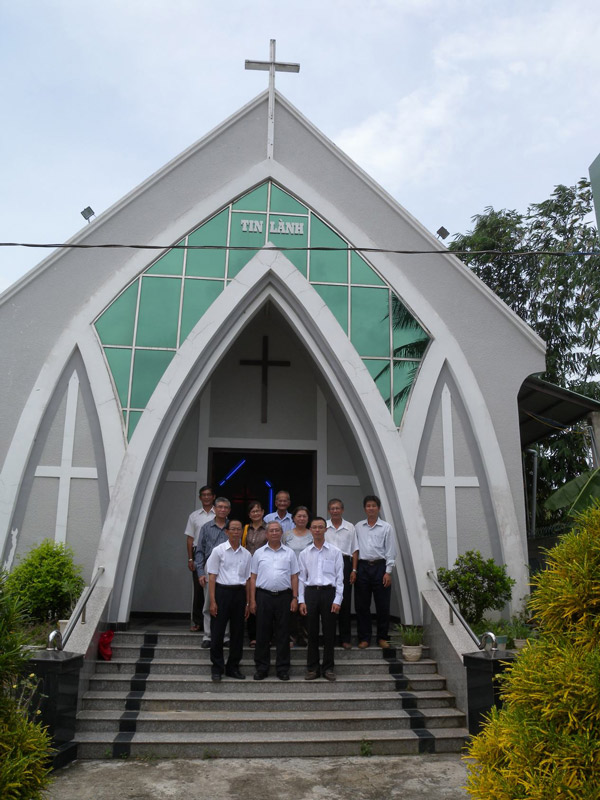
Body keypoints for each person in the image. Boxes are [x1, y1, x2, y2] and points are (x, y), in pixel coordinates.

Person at [249, 520, 299, 680]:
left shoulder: (289, 553)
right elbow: (253, 577)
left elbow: (294, 576)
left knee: (283, 633)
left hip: (284, 597)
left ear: (282, 533)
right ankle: (262, 668)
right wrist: (252, 600)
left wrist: (295, 597)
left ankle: (282, 668)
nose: (275, 533)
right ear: (266, 533)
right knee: (262, 633)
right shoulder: (259, 553)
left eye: (278, 530)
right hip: (263, 596)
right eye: (272, 530)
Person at [298, 517, 344, 682]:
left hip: (329, 593)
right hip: (311, 593)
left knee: (329, 632)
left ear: (326, 530)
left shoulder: (335, 552)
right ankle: (312, 668)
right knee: (311, 632)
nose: (317, 530)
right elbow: (302, 578)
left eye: (320, 527)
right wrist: (301, 600)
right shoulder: (304, 553)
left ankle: (328, 668)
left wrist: (338, 600)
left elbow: (340, 578)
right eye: (314, 527)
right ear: (310, 530)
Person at [206, 518, 252, 682]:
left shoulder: (246, 554)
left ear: (242, 532)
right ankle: (217, 667)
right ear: (226, 532)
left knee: (238, 633)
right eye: (232, 529)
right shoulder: (218, 551)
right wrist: (212, 601)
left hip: (239, 594)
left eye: (239, 529)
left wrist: (247, 602)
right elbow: (212, 577)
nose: (236, 532)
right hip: (222, 592)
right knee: (217, 632)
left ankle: (233, 667)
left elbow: (247, 580)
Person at [354, 495, 397, 649]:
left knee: (383, 605)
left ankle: (382, 637)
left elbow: (391, 550)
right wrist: (354, 569)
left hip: (380, 567)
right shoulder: (358, 526)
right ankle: (364, 638)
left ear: (378, 508)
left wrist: (388, 571)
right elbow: (355, 549)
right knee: (362, 605)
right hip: (363, 567)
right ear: (365, 508)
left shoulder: (386, 527)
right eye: (368, 506)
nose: (371, 508)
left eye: (374, 506)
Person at [195, 497, 230, 648]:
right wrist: (200, 572)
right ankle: (208, 636)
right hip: (210, 568)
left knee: (226, 604)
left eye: (225, 507)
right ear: (214, 509)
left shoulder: (233, 527)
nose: (222, 510)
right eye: (220, 507)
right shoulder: (206, 527)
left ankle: (226, 637)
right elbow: (199, 551)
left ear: (229, 510)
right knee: (209, 603)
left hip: (228, 568)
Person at [325, 498, 358, 649]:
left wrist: (354, 569)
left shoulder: (350, 527)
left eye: (337, 508)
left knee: (344, 602)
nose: (335, 511)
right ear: (328, 510)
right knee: (329, 601)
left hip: (345, 564)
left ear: (342, 510)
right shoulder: (324, 526)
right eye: (332, 508)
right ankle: (329, 638)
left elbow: (355, 549)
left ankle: (345, 639)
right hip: (328, 564)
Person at [184, 485, 215, 631]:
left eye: (209, 494)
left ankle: (214, 621)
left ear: (213, 497)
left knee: (215, 587)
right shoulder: (194, 516)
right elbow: (190, 538)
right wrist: (191, 559)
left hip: (215, 554)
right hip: (198, 554)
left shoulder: (220, 513)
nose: (207, 497)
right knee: (198, 588)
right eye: (204, 495)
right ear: (200, 498)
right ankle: (197, 621)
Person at [282, 506, 313, 647]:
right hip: (290, 575)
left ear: (308, 518)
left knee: (306, 606)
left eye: (304, 516)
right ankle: (292, 636)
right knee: (291, 606)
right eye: (299, 516)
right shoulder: (286, 535)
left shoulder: (313, 534)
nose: (301, 518)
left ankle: (305, 636)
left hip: (308, 575)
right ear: (293, 518)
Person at [242, 500, 268, 647]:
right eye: (253, 511)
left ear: (263, 512)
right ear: (249, 514)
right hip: (248, 567)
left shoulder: (269, 528)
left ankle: (266, 635)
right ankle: (253, 636)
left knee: (264, 601)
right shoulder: (245, 529)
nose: (256, 513)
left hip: (265, 568)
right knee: (250, 599)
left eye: (258, 510)